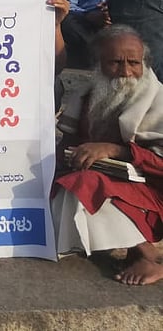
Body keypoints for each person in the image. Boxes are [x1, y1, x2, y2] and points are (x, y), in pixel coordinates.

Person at [53, 25, 163, 286]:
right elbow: (68, 141)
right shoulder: (88, 93)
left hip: (150, 188)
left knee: (87, 184)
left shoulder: (158, 99)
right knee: (57, 187)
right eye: (115, 63)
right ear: (98, 64)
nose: (125, 72)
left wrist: (114, 150)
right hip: (98, 175)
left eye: (134, 63)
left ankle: (146, 254)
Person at [60, 0, 111, 69]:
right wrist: (89, 15)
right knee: (65, 21)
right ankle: (97, 54)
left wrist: (110, 12)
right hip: (84, 19)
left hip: (115, 16)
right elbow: (69, 4)